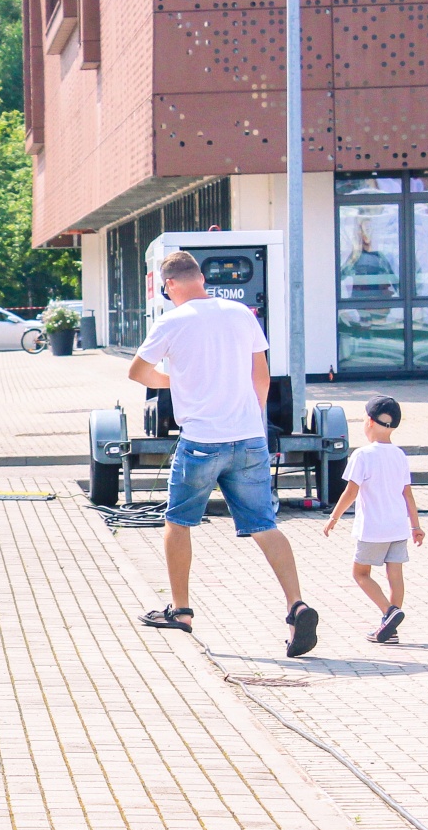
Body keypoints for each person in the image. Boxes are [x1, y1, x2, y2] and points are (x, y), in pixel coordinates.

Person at [130, 249, 318, 657]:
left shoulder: (171, 321)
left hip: (201, 440)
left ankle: (181, 611)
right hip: (249, 436)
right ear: (201, 277)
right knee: (264, 524)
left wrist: (178, 380)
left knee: (178, 522)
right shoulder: (241, 314)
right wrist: (252, 419)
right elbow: (261, 376)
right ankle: (296, 606)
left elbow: (138, 372)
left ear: (169, 285)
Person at [322, 395, 424, 643]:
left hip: (373, 528)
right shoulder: (399, 455)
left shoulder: (362, 455)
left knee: (360, 573)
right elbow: (407, 494)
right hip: (398, 527)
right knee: (395, 576)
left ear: (369, 421)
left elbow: (351, 492)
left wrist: (334, 517)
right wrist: (416, 526)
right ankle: (391, 630)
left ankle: (389, 613)